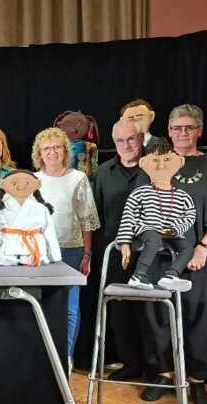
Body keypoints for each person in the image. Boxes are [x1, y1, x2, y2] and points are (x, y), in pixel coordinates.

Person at [139, 104, 207, 404]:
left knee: (200, 320)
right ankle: (165, 374)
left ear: (199, 132)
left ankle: (197, 381)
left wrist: (203, 247)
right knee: (158, 318)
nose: (183, 133)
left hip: (200, 259)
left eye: (189, 128)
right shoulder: (156, 164)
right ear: (168, 132)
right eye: (177, 128)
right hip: (160, 258)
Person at [31, 127, 100, 362]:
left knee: (70, 308)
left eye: (57, 147)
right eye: (46, 148)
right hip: (40, 253)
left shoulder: (78, 179)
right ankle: (44, 358)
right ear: (39, 153)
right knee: (41, 306)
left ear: (65, 150)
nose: (52, 152)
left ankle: (66, 358)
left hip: (72, 250)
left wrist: (87, 254)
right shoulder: (33, 181)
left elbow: (87, 219)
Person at [92, 119, 150, 382]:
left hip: (151, 251)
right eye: (119, 141)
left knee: (152, 310)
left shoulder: (155, 168)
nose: (126, 145)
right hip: (114, 253)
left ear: (140, 139)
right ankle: (131, 363)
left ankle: (159, 367)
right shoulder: (103, 172)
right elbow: (96, 214)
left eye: (131, 139)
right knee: (119, 311)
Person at [116, 148, 196, 292]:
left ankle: (171, 275)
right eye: (154, 160)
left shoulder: (182, 196)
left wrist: (176, 229)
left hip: (171, 231)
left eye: (166, 160)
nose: (161, 166)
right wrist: (124, 242)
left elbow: (189, 215)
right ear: (142, 163)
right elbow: (128, 215)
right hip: (147, 228)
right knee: (154, 240)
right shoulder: (141, 192)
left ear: (180, 162)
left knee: (188, 248)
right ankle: (138, 275)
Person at [0, 170, 61, 266]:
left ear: (38, 184)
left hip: (35, 253)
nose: (21, 186)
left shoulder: (41, 208)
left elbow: (49, 233)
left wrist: (54, 255)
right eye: (14, 183)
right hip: (7, 254)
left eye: (27, 183)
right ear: (3, 184)